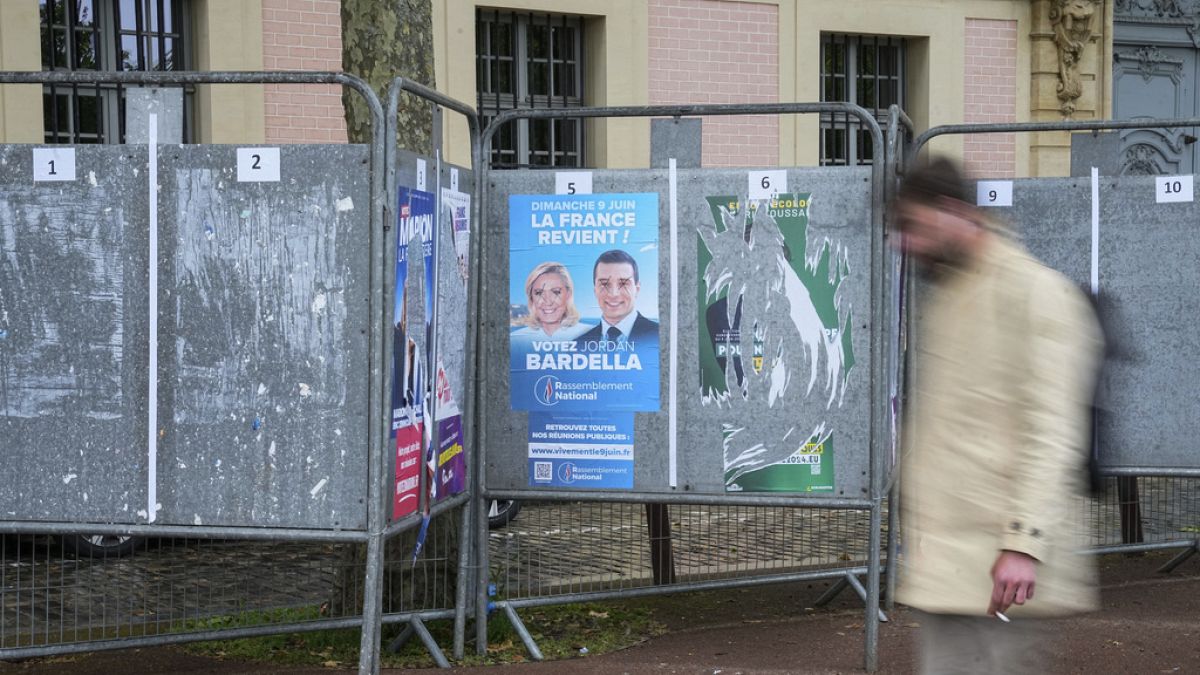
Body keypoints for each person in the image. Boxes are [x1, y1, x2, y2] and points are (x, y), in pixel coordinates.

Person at [892, 158, 1102, 674]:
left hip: (1001, 571)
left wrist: (1023, 544)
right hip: (952, 565)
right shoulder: (947, 295)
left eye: (912, 227)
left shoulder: (1038, 293)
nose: (904, 244)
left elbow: (1053, 432)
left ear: (953, 212)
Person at [576, 249, 658, 346]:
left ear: (637, 289)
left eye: (623, 283)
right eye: (604, 283)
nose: (613, 294)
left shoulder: (659, 336)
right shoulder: (577, 345)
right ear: (595, 290)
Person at [511, 262, 589, 341]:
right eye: (539, 293)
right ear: (531, 298)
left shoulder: (591, 335)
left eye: (556, 292)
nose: (548, 301)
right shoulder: (515, 341)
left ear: (568, 294)